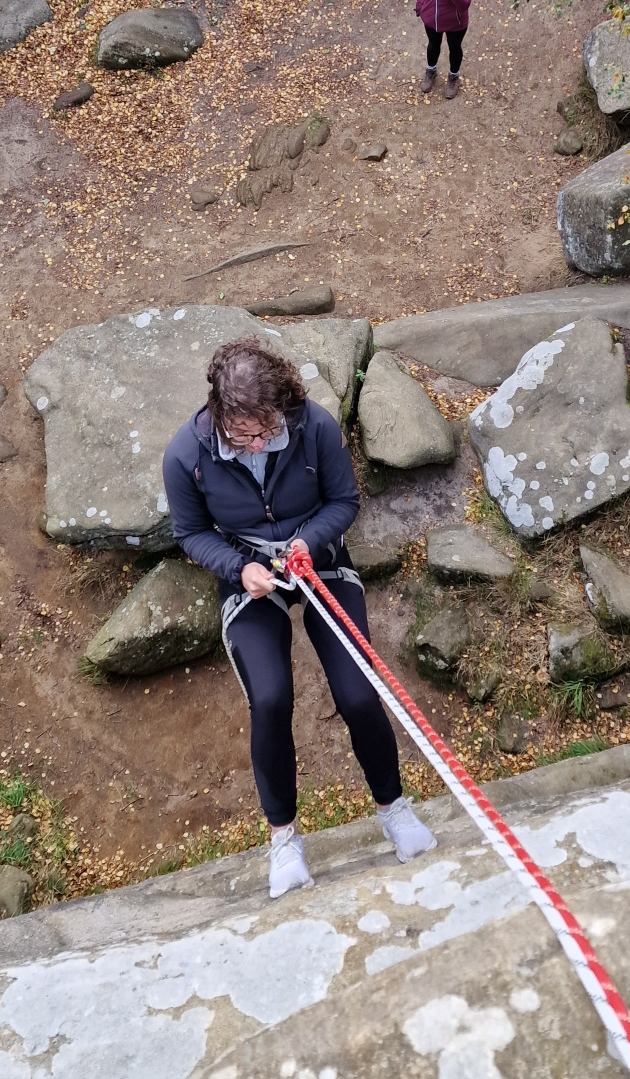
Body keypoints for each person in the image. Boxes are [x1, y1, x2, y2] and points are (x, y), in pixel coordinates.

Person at [162, 336, 437, 898]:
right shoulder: (185, 458)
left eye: (268, 429)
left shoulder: (312, 426)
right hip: (249, 576)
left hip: (320, 564)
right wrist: (240, 569)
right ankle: (283, 838)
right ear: (219, 413)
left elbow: (344, 501)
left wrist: (308, 543)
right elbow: (189, 533)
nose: (259, 443)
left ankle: (394, 810)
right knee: (269, 698)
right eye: (245, 434)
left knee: (358, 692)